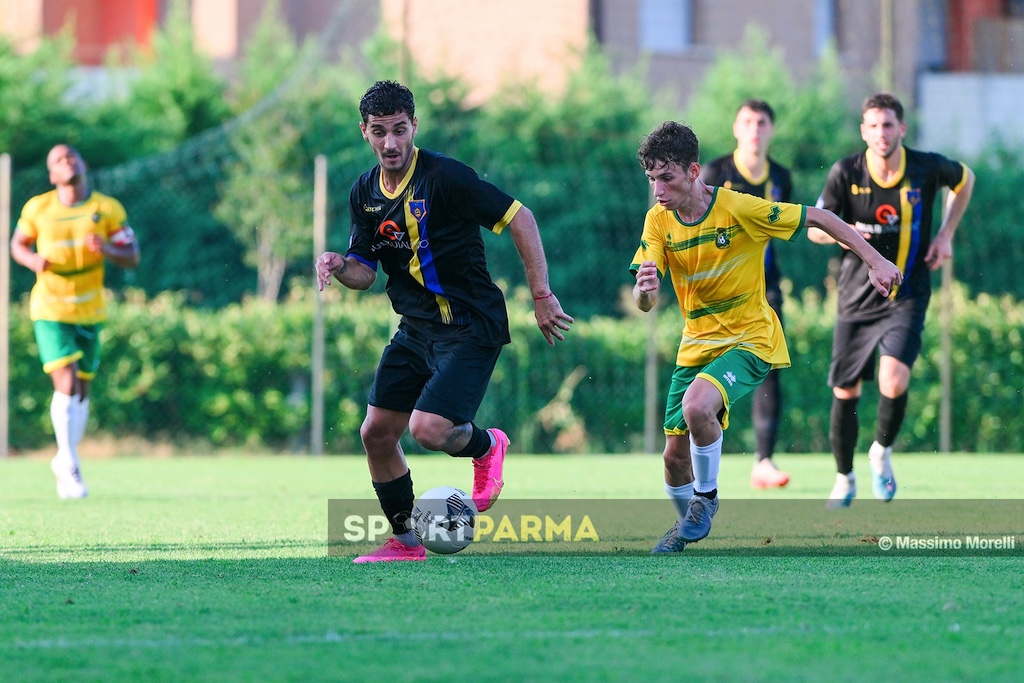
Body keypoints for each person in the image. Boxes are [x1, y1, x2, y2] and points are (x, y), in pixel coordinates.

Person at [316, 80, 573, 563]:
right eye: (379, 132)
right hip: (415, 329)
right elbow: (364, 273)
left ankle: (487, 445)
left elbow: (522, 218)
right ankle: (406, 542)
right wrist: (337, 263)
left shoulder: (446, 178)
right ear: (364, 133)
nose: (390, 143)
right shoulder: (364, 193)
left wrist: (541, 294)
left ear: (414, 125)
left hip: (470, 326)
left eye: (399, 130)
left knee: (430, 429)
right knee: (375, 434)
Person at [630, 121, 902, 553]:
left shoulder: (738, 208)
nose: (659, 190)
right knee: (673, 458)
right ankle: (686, 529)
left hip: (750, 338)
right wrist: (645, 292)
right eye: (652, 180)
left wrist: (875, 261)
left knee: (697, 405)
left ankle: (707, 499)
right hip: (696, 345)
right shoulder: (657, 222)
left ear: (694, 172)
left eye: (667, 178)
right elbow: (645, 298)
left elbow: (823, 217)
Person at [809, 93, 975, 508]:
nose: (881, 133)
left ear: (901, 128)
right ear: (863, 131)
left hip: (907, 293)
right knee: (845, 391)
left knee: (893, 378)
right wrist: (843, 231)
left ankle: (881, 452)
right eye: (873, 126)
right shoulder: (845, 172)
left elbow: (965, 179)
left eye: (889, 125)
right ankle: (844, 478)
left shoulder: (926, 167)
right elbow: (813, 229)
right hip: (856, 298)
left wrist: (945, 233)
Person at [10, 144, 141, 499]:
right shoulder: (38, 208)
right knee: (66, 382)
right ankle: (68, 462)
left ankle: (67, 458)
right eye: (57, 160)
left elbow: (132, 255)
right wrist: (32, 260)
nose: (66, 161)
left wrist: (107, 250)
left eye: (71, 156)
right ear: (52, 175)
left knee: (81, 392)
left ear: (83, 164)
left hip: (90, 310)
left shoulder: (106, 209)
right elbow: (17, 244)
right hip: (51, 308)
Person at [701, 99, 792, 489]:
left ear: (771, 130)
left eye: (762, 123)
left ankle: (764, 462)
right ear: (736, 128)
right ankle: (696, 458)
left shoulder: (781, 178)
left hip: (764, 290)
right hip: (716, 292)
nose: (755, 129)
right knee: (705, 372)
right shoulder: (715, 172)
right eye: (748, 122)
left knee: (767, 369)